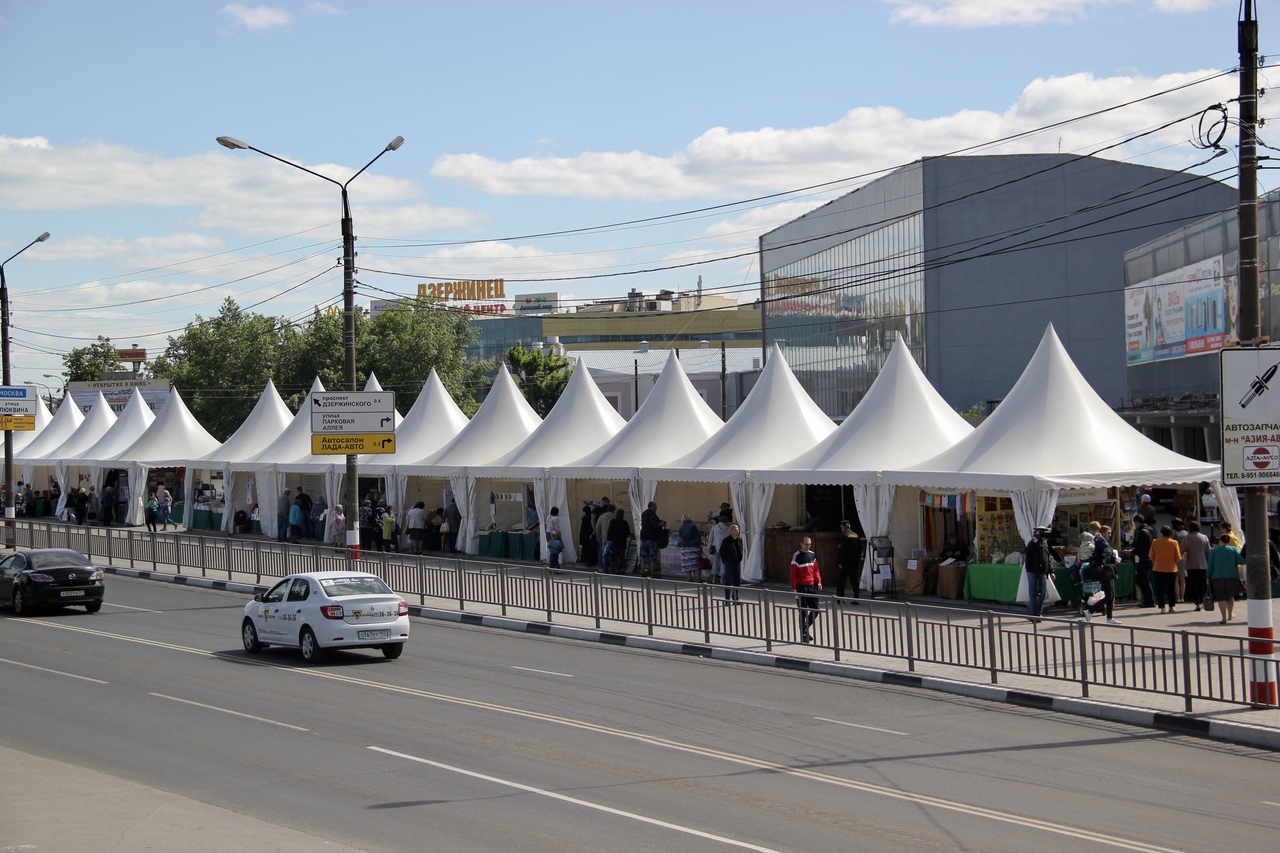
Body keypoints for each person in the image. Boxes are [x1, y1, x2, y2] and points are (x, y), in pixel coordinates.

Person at [1084, 525, 1120, 624]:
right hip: (1104, 571)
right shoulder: (1101, 541)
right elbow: (1101, 554)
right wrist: (1101, 564)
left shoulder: (1102, 541)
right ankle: (1090, 610)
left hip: (1108, 569)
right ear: (1103, 532)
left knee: (1111, 594)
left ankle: (1109, 617)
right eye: (1108, 533)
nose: (1110, 535)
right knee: (1108, 595)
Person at [1206, 533, 1245, 623]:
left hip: (1217, 576)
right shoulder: (1233, 549)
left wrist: (1208, 576)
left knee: (1221, 597)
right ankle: (1230, 614)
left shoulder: (1214, 551)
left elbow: (1210, 565)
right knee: (1230, 596)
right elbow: (1241, 561)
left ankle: (1223, 617)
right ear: (1229, 541)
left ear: (1220, 540)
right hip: (1232, 576)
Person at [790, 536, 822, 643]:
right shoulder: (797, 556)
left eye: (809, 544)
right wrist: (794, 588)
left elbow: (816, 569)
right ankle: (804, 633)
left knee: (816, 609)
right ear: (801, 544)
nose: (808, 546)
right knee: (803, 610)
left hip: (811, 585)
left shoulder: (812, 554)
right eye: (806, 544)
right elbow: (793, 573)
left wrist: (819, 581)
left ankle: (804, 627)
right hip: (801, 586)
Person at [1023, 526, 1059, 620]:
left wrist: (1051, 571)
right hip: (1032, 570)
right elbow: (1028, 553)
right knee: (1034, 593)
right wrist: (1034, 542)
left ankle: (1038, 613)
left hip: (1042, 571)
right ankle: (1031, 614)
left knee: (1042, 593)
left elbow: (1048, 558)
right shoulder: (1032, 543)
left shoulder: (1044, 544)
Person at [1149, 524, 1182, 613]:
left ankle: (1162, 607)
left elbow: (1151, 556)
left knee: (1160, 588)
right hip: (1171, 568)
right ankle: (1171, 606)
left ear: (1161, 533)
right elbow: (1178, 557)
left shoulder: (1155, 542)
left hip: (1158, 568)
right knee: (1171, 588)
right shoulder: (1174, 543)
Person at [1182, 520, 1211, 611]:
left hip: (1191, 564)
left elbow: (1181, 550)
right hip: (1203, 564)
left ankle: (1197, 603)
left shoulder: (1187, 537)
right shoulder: (1204, 537)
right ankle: (1202, 600)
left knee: (1194, 584)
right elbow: (1209, 552)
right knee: (1201, 583)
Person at [835, 520, 866, 600]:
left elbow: (841, 550)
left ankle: (840, 598)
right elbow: (860, 549)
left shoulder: (843, 536)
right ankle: (856, 597)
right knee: (854, 581)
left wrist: (840, 562)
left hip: (846, 562)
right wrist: (858, 560)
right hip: (855, 562)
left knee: (841, 580)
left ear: (843, 527)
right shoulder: (856, 535)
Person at [1131, 516, 1156, 608]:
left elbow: (1141, 547)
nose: (1135, 525)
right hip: (1147, 558)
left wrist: (1133, 551)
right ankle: (1148, 599)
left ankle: (1149, 600)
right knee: (1141, 579)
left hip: (1144, 558)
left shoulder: (1143, 532)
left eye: (1135, 523)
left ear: (1137, 522)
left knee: (1143, 580)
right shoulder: (1148, 531)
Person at [639, 501, 664, 578]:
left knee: (643, 556)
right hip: (652, 537)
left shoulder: (644, 513)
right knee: (652, 556)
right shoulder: (652, 514)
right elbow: (655, 524)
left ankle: (642, 572)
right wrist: (661, 523)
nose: (656, 508)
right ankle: (652, 573)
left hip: (643, 537)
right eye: (656, 507)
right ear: (653, 506)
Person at [719, 523, 744, 603]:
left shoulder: (739, 539)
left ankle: (735, 597)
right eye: (736, 530)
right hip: (729, 562)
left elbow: (740, 549)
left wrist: (740, 558)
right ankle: (727, 599)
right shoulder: (726, 540)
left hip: (737, 562)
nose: (737, 531)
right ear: (731, 531)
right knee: (728, 581)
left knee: (737, 581)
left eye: (738, 530)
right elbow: (721, 552)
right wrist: (725, 560)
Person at [677, 513, 702, 581]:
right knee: (696, 563)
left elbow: (680, 536)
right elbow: (697, 536)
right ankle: (698, 578)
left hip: (684, 546)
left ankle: (689, 578)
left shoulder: (681, 526)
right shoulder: (693, 526)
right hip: (694, 546)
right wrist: (700, 545)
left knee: (686, 563)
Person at [708, 513, 731, 583]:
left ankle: (714, 578)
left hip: (715, 547)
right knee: (723, 563)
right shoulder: (728, 529)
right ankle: (722, 578)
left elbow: (710, 538)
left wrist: (709, 546)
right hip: (725, 548)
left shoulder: (714, 527)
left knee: (715, 563)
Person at [606, 508, 631, 574]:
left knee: (615, 556)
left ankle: (616, 568)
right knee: (622, 556)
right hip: (622, 542)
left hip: (614, 542)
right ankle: (622, 568)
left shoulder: (612, 521)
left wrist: (609, 540)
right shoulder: (625, 523)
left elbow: (609, 532)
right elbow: (627, 532)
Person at [1170, 517, 1188, 605]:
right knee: (1182, 578)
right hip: (1184, 556)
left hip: (1175, 556)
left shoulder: (1173, 533)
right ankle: (1182, 597)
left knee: (1176, 578)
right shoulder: (1185, 533)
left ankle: (1177, 597)